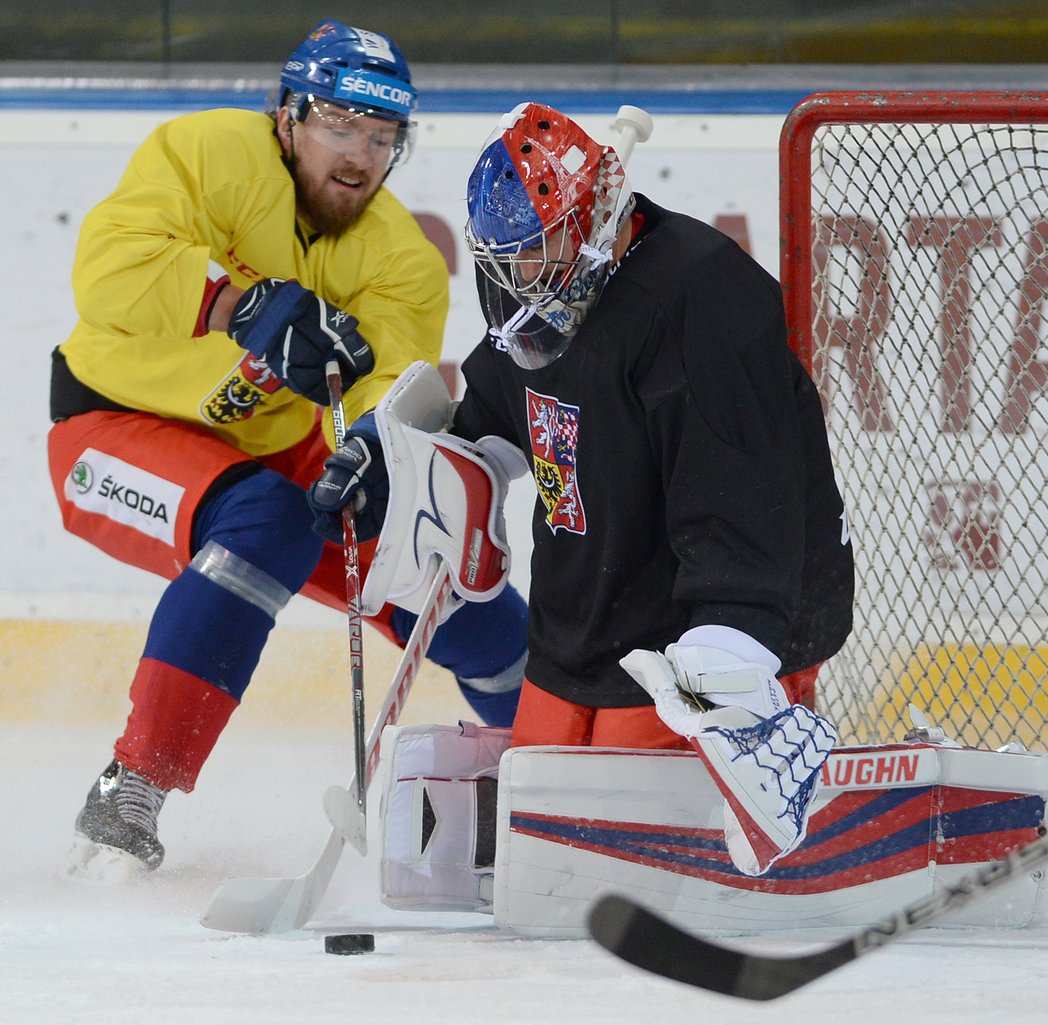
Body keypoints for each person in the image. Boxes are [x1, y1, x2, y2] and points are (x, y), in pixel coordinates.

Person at [315, 102, 854, 876]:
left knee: (607, 857)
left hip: (700, 628)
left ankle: (784, 757)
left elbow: (743, 494)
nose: (518, 278)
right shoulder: (544, 302)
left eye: (535, 253)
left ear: (594, 218)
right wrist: (383, 461)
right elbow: (486, 425)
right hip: (584, 620)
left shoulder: (702, 300)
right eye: (504, 260)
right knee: (539, 840)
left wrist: (725, 664)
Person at [48, 20, 528, 875]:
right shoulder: (206, 152)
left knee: (459, 585)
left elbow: (387, 391)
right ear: (286, 117)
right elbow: (107, 267)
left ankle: (550, 773)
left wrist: (381, 452)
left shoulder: (403, 262)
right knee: (266, 519)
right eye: (340, 126)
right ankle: (135, 785)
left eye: (383, 137)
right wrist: (240, 304)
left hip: (273, 451)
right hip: (113, 426)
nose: (361, 155)